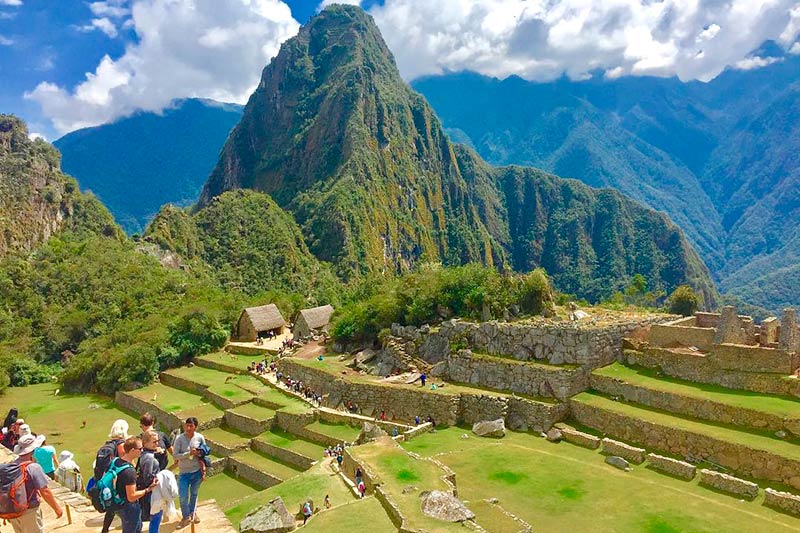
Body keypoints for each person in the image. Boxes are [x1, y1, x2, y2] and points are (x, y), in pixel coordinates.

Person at [6, 433, 63, 532]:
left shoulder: (11, 466)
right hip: (29, 511)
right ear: (33, 450)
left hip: (14, 511)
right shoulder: (33, 467)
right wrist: (57, 508)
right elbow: (44, 491)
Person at [114, 436, 158, 533]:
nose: (142, 451)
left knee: (137, 526)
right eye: (140, 449)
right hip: (128, 506)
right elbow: (131, 496)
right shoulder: (129, 472)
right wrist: (148, 489)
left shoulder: (116, 461)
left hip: (117, 502)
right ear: (133, 450)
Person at [173, 417, 206, 528]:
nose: (188, 428)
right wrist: (188, 453)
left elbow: (204, 453)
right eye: (186, 425)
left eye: (191, 426)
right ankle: (185, 517)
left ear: (195, 427)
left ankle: (193, 513)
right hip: (184, 473)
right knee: (183, 496)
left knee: (194, 494)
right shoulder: (179, 439)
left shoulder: (200, 438)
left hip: (196, 471)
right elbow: (175, 455)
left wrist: (199, 455)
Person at [100, 419, 130, 533]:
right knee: (122, 507)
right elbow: (126, 460)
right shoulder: (120, 444)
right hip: (117, 479)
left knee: (111, 507)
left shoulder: (108, 443)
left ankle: (105, 529)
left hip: (108, 478)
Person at [137, 430, 162, 532]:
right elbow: (147, 478)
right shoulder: (149, 457)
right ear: (145, 443)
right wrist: (157, 480)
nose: (157, 443)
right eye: (154, 442)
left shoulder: (145, 453)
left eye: (157, 441)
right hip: (151, 493)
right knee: (156, 516)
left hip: (147, 492)